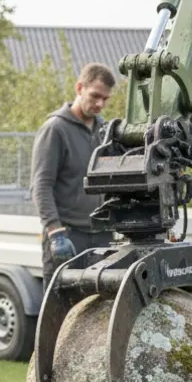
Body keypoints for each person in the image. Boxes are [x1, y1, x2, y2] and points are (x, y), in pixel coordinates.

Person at [31, 63, 117, 283]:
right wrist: (55, 231)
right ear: (79, 88)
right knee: (63, 312)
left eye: (105, 99)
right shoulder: (55, 129)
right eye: (95, 96)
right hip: (68, 237)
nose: (100, 104)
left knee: (98, 311)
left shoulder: (104, 132)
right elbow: (41, 186)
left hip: (101, 236)